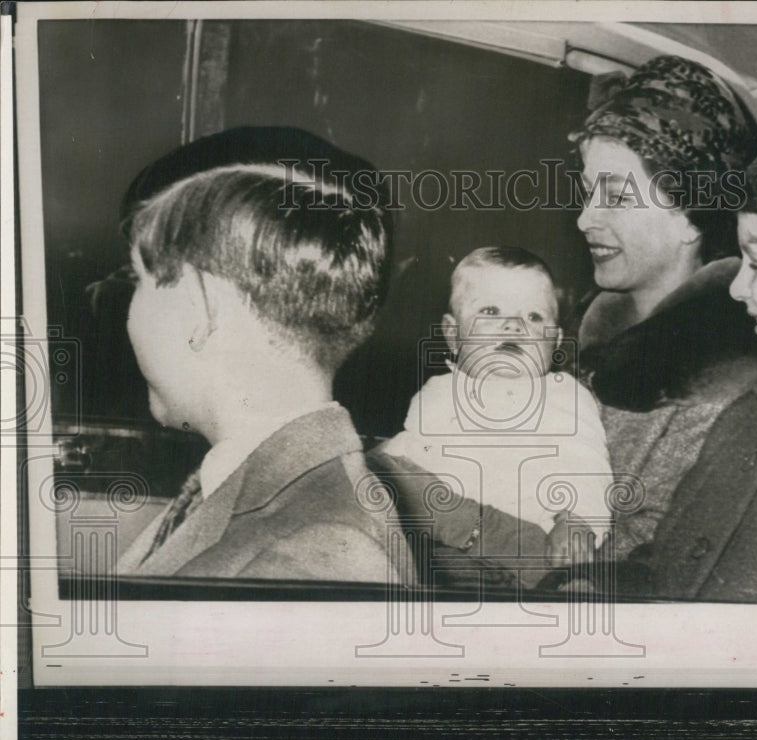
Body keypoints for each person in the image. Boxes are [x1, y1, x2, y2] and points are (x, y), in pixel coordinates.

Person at [115, 142, 411, 584]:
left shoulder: (316, 555)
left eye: (140, 280)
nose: (129, 308)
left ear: (200, 306)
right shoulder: (251, 492)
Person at [570, 55, 757, 558]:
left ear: (690, 215)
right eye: (585, 192)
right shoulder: (582, 338)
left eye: (615, 197)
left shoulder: (719, 384)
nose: (583, 219)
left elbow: (640, 560)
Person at [613, 151, 757, 602]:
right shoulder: (749, 415)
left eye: (755, 263)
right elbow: (664, 564)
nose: (737, 287)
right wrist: (580, 587)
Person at [375, 247, 613, 585]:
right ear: (453, 334)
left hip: (522, 559)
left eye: (534, 316)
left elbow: (586, 463)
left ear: (556, 340)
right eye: (491, 311)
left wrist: (578, 520)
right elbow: (411, 453)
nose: (514, 326)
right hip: (436, 550)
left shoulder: (563, 395)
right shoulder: (436, 392)